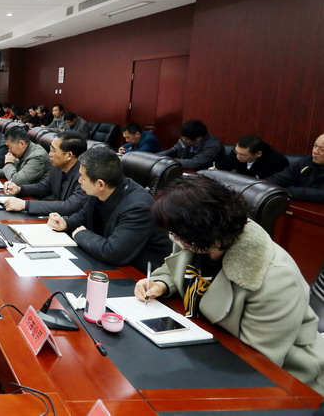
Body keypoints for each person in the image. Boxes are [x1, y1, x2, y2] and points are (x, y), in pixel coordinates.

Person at [135, 175, 324, 395]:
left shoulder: (275, 277)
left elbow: (259, 361)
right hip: (203, 342)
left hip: (281, 379)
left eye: (179, 235)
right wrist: (161, 283)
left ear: (206, 232)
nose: (175, 239)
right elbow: (176, 269)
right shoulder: (194, 237)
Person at [47, 148, 171, 271]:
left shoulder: (138, 207)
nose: (79, 181)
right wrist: (65, 223)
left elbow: (113, 252)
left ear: (100, 184)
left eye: (82, 177)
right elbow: (83, 215)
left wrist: (80, 234)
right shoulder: (102, 191)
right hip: (106, 262)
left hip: (137, 274)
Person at [2, 131, 89, 216]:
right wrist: (19, 189)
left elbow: (69, 207)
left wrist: (25, 205)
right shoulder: (58, 168)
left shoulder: (84, 177)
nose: (49, 154)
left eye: (53, 150)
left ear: (69, 155)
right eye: (50, 149)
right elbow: (42, 188)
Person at [269, 133, 324, 202]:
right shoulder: (305, 162)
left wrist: (282, 191)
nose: (315, 151)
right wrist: (262, 185)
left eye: (322, 149)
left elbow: (320, 194)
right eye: (315, 146)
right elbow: (280, 178)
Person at [159, 119, 224, 170]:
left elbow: (193, 163)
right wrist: (156, 157)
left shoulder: (213, 146)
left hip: (206, 176)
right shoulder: (185, 138)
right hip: (185, 171)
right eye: (182, 137)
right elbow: (172, 151)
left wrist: (167, 161)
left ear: (198, 138)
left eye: (186, 139)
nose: (183, 140)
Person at [216, 134, 289, 179]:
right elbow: (222, 167)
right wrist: (215, 170)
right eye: (236, 152)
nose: (238, 156)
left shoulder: (277, 161)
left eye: (243, 155)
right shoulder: (237, 152)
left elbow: (274, 183)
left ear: (258, 154)